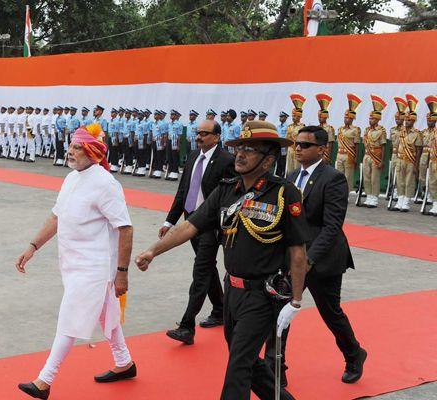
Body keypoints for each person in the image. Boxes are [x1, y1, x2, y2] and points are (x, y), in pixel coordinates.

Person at [136, 121, 308, 400]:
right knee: (249, 363)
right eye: (239, 147)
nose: (240, 154)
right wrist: (153, 251)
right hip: (233, 292)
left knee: (238, 366)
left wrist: (296, 301)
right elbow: (190, 226)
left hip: (262, 295)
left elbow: (298, 251)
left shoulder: (283, 193)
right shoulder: (227, 189)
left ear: (268, 160)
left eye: (250, 149)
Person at [16, 123, 136, 400]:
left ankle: (44, 381)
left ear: (92, 152)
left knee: (69, 318)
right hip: (70, 263)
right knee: (108, 315)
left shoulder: (106, 184)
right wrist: (33, 246)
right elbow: (56, 217)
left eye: (76, 148)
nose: (69, 152)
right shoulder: (71, 178)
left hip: (94, 267)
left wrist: (121, 273)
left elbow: (125, 228)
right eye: (70, 146)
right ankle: (125, 363)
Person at [266, 125, 367, 387]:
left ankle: (354, 354)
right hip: (293, 258)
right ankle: (278, 367)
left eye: (305, 145)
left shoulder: (333, 178)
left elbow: (332, 226)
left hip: (323, 260)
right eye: (297, 144)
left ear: (322, 149)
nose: (298, 148)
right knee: (282, 311)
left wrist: (309, 260)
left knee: (330, 312)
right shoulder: (290, 176)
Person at [161, 120, 235, 345]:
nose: (199, 137)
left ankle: (186, 326)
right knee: (207, 266)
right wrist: (169, 221)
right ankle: (220, 309)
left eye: (204, 133)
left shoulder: (226, 160)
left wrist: (223, 226)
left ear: (217, 136)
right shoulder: (193, 156)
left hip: (211, 226)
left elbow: (231, 196)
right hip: (190, 221)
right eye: (197, 133)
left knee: (201, 270)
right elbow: (183, 190)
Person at [394, 94, 423, 212]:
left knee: (408, 181)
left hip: (410, 160)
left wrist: (416, 165)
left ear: (413, 121)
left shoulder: (417, 133)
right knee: (399, 180)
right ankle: (400, 199)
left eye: (409, 120)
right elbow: (396, 146)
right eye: (405, 120)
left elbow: (418, 150)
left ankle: (406, 201)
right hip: (400, 159)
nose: (406, 122)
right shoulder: (400, 132)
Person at [361, 95, 388, 208]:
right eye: (369, 118)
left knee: (374, 178)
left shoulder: (381, 131)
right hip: (367, 155)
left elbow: (383, 147)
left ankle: (375, 197)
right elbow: (365, 145)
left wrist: (381, 161)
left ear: (377, 119)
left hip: (376, 156)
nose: (370, 120)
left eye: (372, 118)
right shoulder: (367, 130)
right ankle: (368, 196)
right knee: (366, 177)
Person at [335, 94, 362, 193]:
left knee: (348, 176)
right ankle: (338, 192)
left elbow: (357, 145)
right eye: (345, 117)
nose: (346, 119)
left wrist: (356, 158)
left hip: (349, 154)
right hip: (339, 154)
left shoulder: (355, 130)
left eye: (348, 118)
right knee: (338, 175)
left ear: (352, 119)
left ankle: (346, 193)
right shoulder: (340, 129)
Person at [286, 93, 306, 175]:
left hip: (298, 149)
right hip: (290, 149)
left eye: (295, 116)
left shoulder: (302, 127)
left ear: (299, 116)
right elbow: (287, 138)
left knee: (297, 169)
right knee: (289, 170)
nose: (293, 117)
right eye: (292, 116)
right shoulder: (290, 126)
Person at [424, 95, 437, 214]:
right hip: (433, 160)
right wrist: (428, 162)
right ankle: (435, 203)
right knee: (432, 183)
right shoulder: (433, 133)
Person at [315, 93, 335, 164]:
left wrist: (328, 156)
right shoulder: (317, 127)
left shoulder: (329, 128)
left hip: (325, 153)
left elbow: (330, 144)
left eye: (321, 117)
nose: (319, 118)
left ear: (325, 117)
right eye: (318, 117)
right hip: (316, 153)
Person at [276, 111, 289, 177]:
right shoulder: (278, 127)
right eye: (280, 117)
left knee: (283, 163)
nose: (280, 118)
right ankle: (277, 176)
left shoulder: (288, 127)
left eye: (282, 117)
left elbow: (287, 138)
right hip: (278, 147)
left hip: (284, 148)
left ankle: (282, 176)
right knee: (278, 163)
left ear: (286, 118)